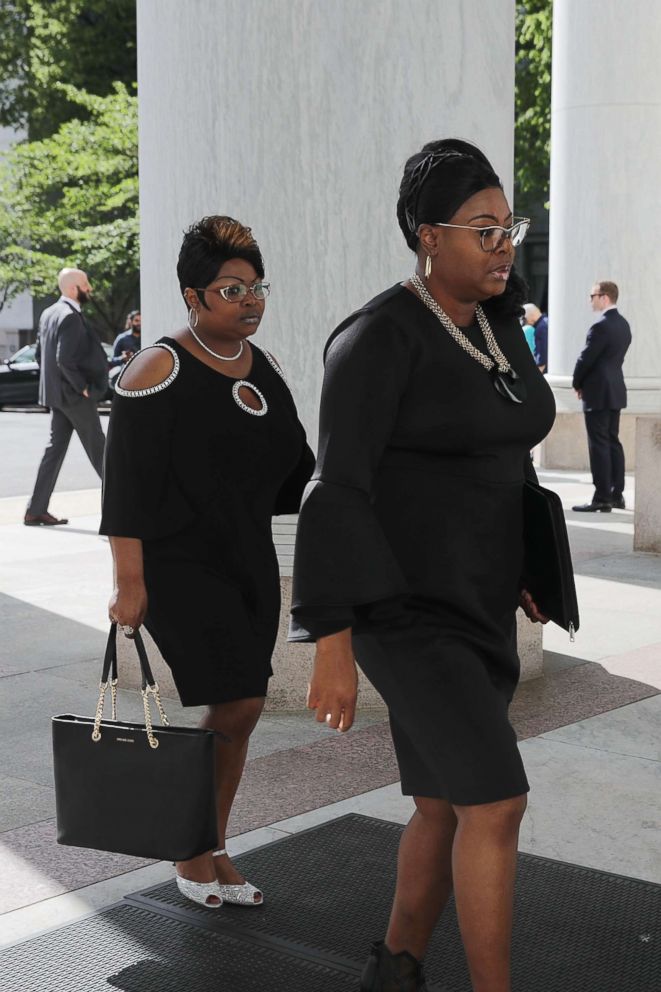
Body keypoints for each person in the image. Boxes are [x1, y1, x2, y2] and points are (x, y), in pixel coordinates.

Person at [290, 139, 556, 992]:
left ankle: (396, 966)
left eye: (507, 224)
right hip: (404, 611)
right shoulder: (375, 338)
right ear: (426, 234)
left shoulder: (498, 321)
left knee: (444, 801)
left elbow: (507, 448)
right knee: (496, 800)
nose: (504, 243)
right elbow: (333, 493)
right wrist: (330, 639)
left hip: (481, 602)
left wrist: (528, 560)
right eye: (484, 229)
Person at [100, 216, 314, 910]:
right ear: (193, 297)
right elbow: (125, 483)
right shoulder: (157, 365)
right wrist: (128, 582)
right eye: (231, 289)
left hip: (245, 556)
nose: (249, 301)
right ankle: (191, 848)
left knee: (241, 710)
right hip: (177, 563)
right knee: (240, 699)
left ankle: (213, 841)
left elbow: (290, 460)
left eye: (256, 288)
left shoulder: (265, 366)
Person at [24, 268, 108, 526]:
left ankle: (35, 510)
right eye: (86, 284)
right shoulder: (70, 316)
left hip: (57, 396)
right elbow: (64, 359)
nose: (89, 289)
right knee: (101, 450)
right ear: (74, 288)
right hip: (73, 396)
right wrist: (83, 387)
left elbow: (41, 355)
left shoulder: (49, 313)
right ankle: (122, 511)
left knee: (54, 451)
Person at [571, 280, 631, 512]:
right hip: (615, 389)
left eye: (592, 295)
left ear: (604, 297)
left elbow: (585, 359)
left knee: (599, 445)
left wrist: (577, 382)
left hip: (598, 391)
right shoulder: (623, 324)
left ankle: (602, 497)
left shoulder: (601, 326)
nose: (590, 300)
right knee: (612, 442)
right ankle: (617, 494)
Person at [523, 302, 548, 373]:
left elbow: (543, 351)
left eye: (525, 318)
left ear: (531, 315)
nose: (525, 321)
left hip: (543, 370)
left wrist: (539, 370)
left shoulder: (541, 327)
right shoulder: (546, 322)